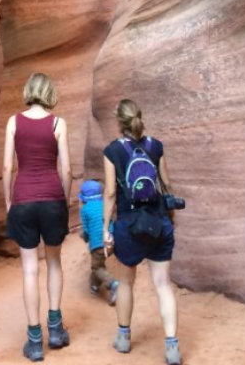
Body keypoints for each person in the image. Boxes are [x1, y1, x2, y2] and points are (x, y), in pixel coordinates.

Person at [103, 99, 182, 364]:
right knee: (163, 284)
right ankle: (172, 347)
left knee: (126, 282)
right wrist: (170, 213)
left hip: (128, 226)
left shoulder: (113, 151)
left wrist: (106, 228)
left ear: (119, 121)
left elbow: (110, 193)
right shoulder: (155, 146)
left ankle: (123, 338)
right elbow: (166, 182)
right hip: (158, 223)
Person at [3, 73, 72, 362]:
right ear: (49, 92)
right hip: (52, 199)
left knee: (30, 269)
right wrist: (64, 201)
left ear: (28, 90)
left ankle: (34, 341)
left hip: (23, 200)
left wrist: (9, 202)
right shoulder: (58, 124)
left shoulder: (13, 122)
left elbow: (7, 166)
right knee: (54, 262)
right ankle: (55, 329)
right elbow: (66, 170)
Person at [79, 179, 118, 304]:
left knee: (97, 268)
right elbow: (111, 220)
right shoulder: (105, 205)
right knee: (98, 265)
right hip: (111, 241)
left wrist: (85, 237)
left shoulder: (85, 210)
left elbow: (86, 231)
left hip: (98, 245)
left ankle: (113, 284)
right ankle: (95, 286)